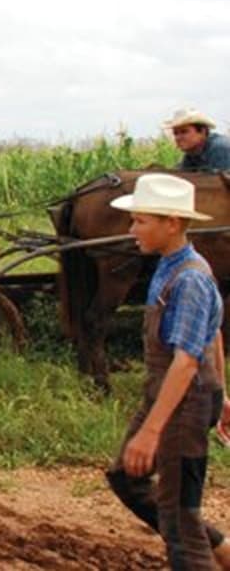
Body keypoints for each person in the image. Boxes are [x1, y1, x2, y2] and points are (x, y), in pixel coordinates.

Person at [104, 173, 230, 570]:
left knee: (180, 524)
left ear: (171, 223)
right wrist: (222, 394)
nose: (131, 229)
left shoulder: (189, 278)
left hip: (182, 402)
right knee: (126, 475)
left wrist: (152, 431)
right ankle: (223, 548)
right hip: (179, 395)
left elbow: (187, 360)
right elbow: (213, 336)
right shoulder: (173, 265)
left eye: (140, 221)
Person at [165, 108, 230, 173]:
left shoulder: (220, 148)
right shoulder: (191, 154)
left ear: (202, 132)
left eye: (184, 132)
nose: (178, 137)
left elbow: (220, 181)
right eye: (175, 133)